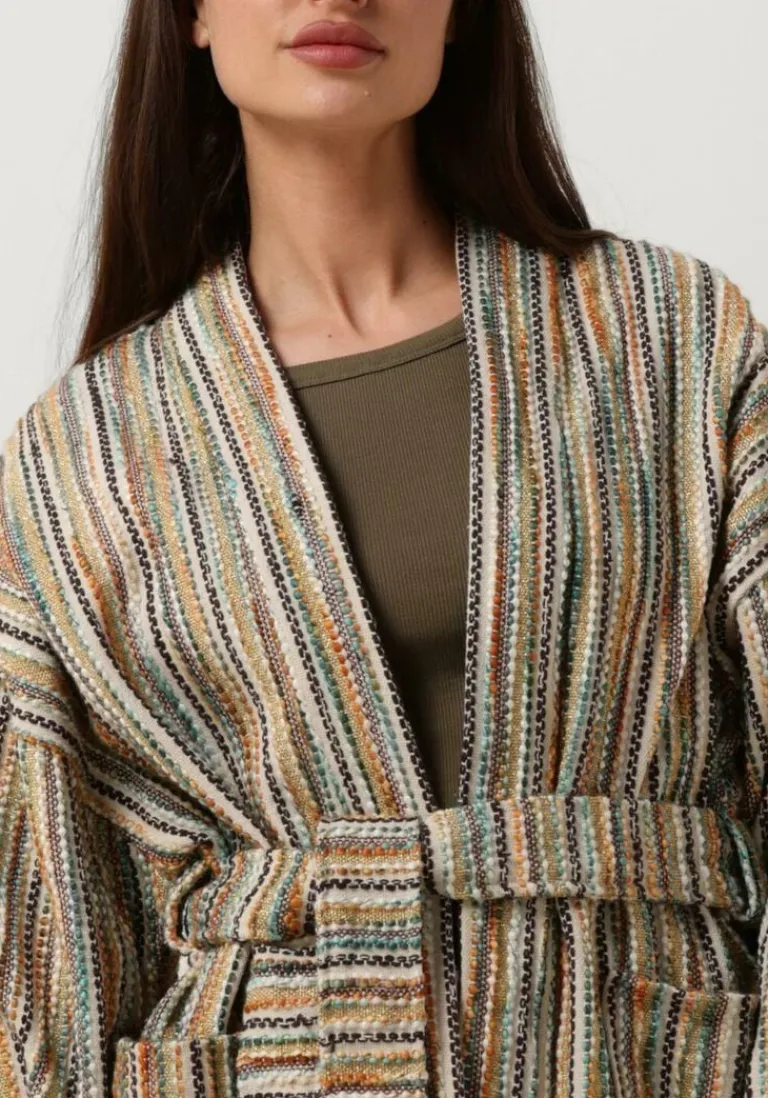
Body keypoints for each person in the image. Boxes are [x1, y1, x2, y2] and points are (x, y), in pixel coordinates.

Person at [1, 0, 767, 1096]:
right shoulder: (80, 456)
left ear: (460, 16)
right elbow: (45, 944)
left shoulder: (674, 341)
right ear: (193, 15)